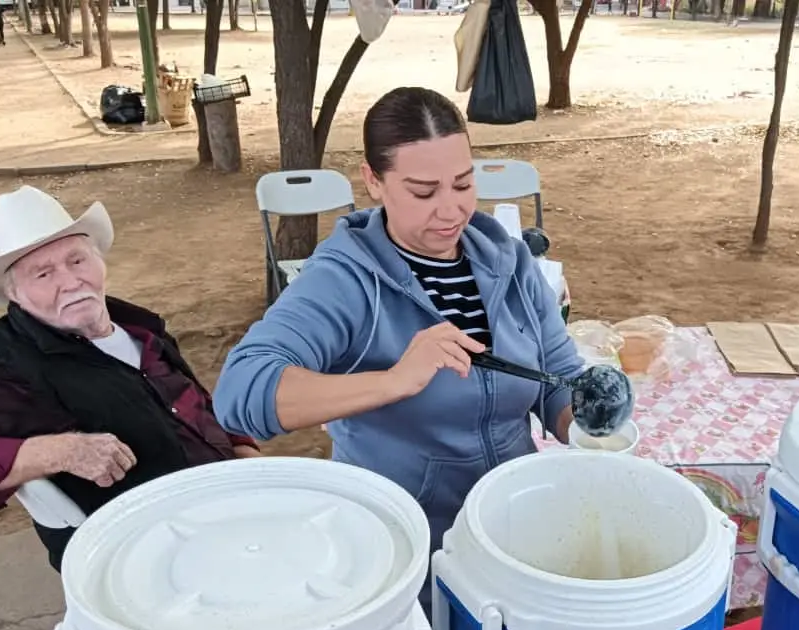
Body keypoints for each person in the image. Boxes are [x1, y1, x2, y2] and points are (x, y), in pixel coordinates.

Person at [213, 85, 583, 586]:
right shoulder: (346, 279)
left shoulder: (506, 259)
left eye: (463, 184)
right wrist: (393, 380)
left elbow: (557, 375)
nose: (452, 210)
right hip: (404, 548)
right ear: (373, 181)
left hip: (509, 528)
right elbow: (241, 392)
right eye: (424, 192)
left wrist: (584, 421)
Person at [0, 186, 259, 571]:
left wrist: (243, 456)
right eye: (43, 273)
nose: (70, 282)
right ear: (14, 295)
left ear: (99, 262)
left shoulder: (137, 326)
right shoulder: (7, 368)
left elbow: (190, 403)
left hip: (225, 510)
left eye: (77, 261)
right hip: (142, 556)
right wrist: (62, 451)